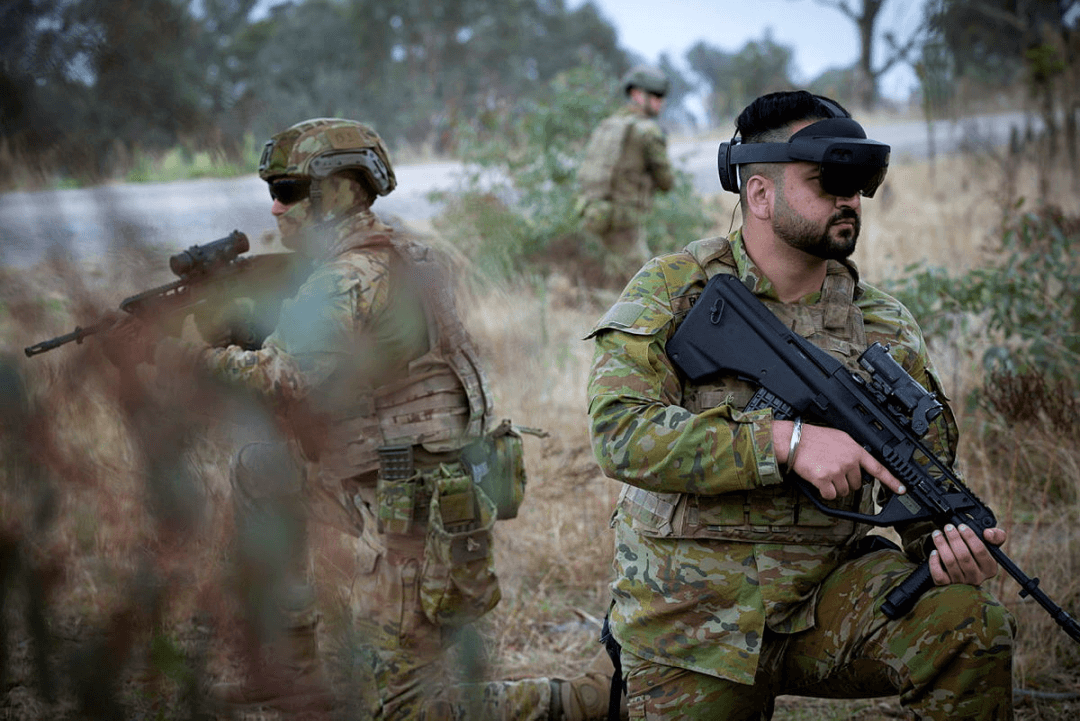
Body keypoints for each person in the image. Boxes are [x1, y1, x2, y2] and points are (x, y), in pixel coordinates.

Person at [108, 118, 616, 720]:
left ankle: (591, 699)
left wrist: (184, 355)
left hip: (412, 518)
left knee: (399, 713)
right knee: (259, 469)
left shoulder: (350, 275)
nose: (274, 206)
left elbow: (282, 379)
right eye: (272, 188)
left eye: (291, 190)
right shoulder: (396, 255)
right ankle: (291, 673)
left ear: (343, 191)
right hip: (384, 479)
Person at [585, 91, 1016, 720]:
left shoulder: (884, 327)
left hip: (830, 598)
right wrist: (783, 443)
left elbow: (922, 491)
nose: (850, 199)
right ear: (759, 195)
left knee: (970, 625)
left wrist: (946, 552)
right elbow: (619, 432)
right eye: (829, 181)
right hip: (691, 620)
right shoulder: (675, 290)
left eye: (861, 182)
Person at [577, 65, 675, 277]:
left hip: (597, 215)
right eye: (656, 95)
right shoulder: (648, 131)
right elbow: (666, 181)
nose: (662, 102)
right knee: (642, 283)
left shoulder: (608, 124)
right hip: (626, 221)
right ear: (637, 95)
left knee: (612, 276)